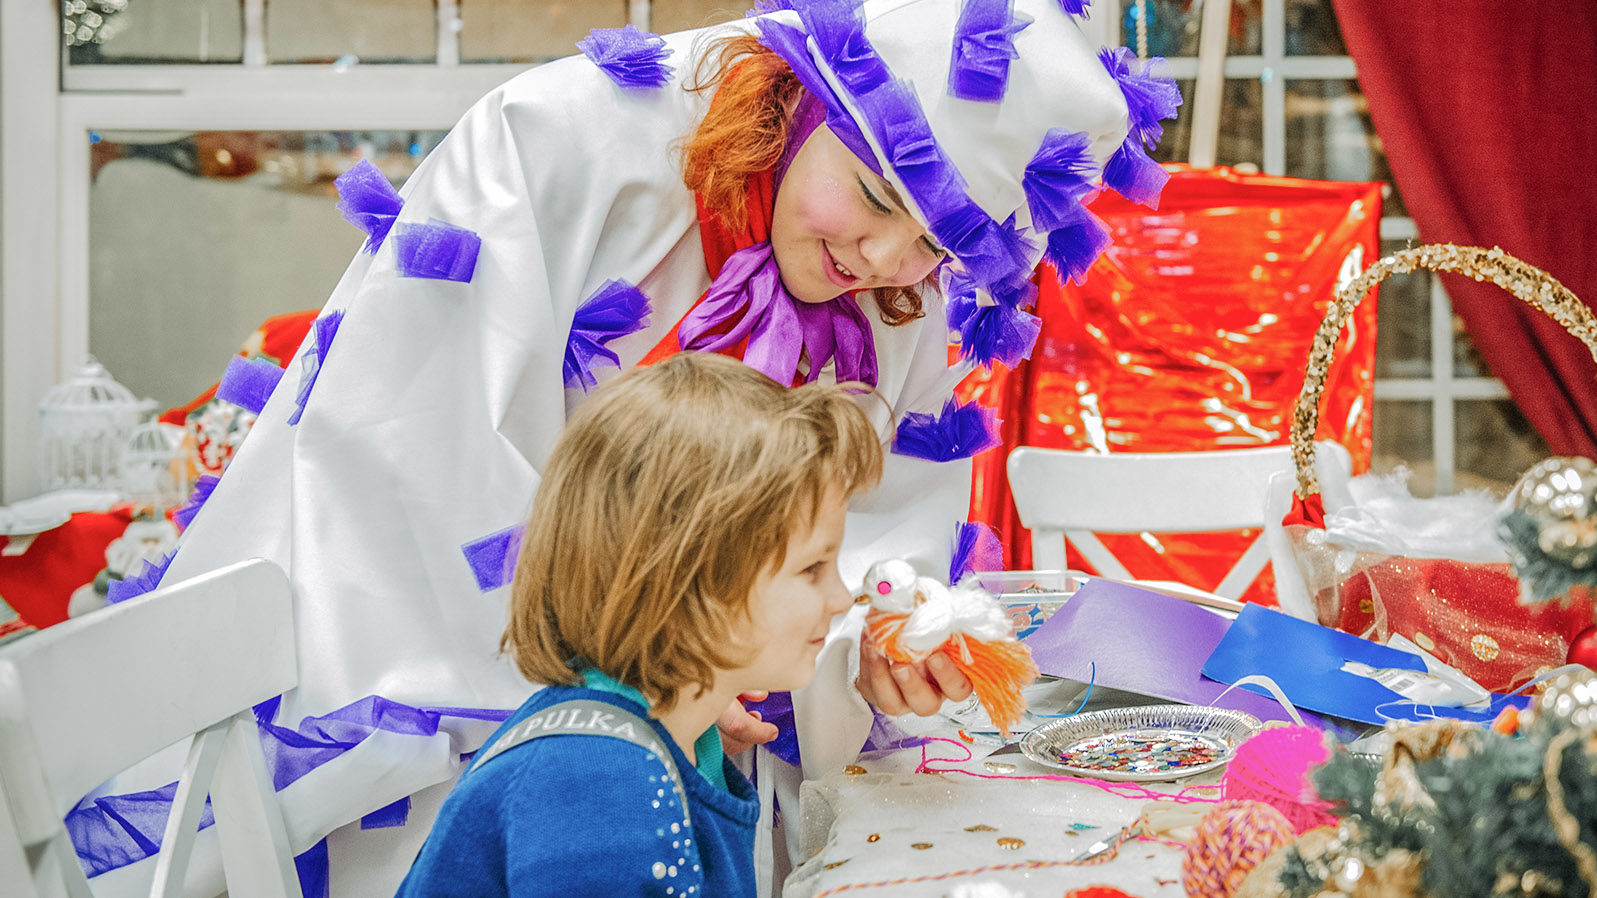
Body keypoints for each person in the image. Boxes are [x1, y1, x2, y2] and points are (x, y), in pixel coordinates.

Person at [79, 2, 1176, 895]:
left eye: (933, 246)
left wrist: (873, 635)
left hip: (702, 740)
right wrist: (655, 665)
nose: (881, 260)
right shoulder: (553, 145)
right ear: (796, 97)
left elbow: (884, 524)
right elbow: (406, 463)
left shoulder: (902, 280)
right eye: (878, 195)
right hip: (485, 730)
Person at [394, 351, 878, 896]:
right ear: (687, 581)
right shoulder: (600, 792)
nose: (841, 596)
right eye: (812, 568)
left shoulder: (679, 736)